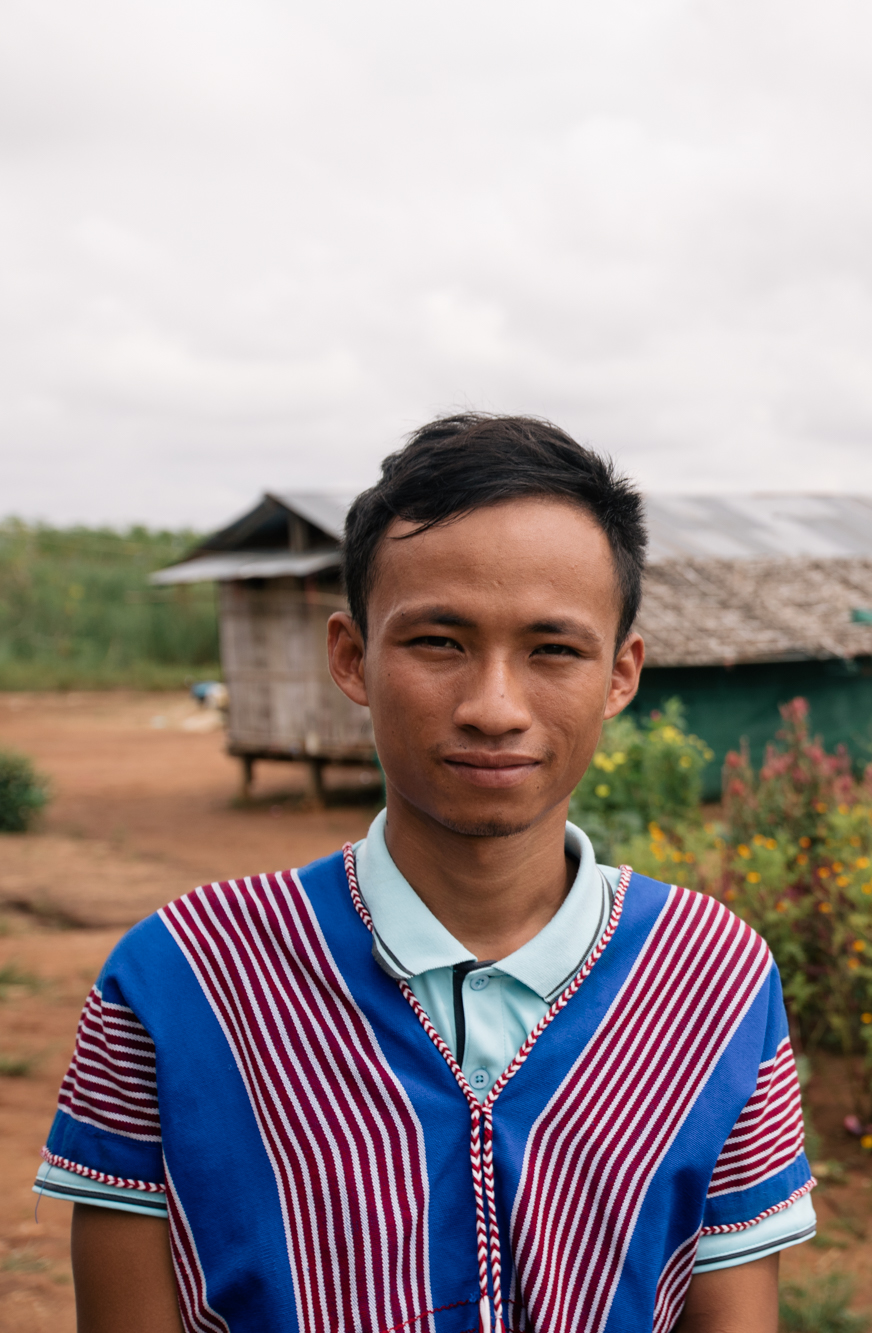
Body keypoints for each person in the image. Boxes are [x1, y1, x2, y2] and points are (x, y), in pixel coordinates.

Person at [35, 415, 813, 1333]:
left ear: (621, 674)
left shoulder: (712, 976)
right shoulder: (180, 981)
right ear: (352, 657)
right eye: (438, 642)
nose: (493, 707)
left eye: (554, 649)